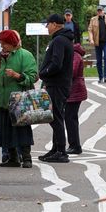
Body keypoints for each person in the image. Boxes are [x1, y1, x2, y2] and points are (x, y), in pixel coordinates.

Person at [0, 29, 38, 168]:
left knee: (22, 130)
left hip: (19, 101)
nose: (2, 46)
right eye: (1, 44)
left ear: (12, 43)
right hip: (3, 100)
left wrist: (17, 76)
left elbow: (33, 76)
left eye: (4, 44)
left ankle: (27, 158)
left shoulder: (25, 55)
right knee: (5, 130)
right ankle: (12, 158)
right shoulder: (0, 57)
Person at [38, 14, 74, 163]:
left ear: (54, 24)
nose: (47, 27)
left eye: (48, 24)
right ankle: (55, 149)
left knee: (56, 117)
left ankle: (61, 151)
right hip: (59, 83)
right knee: (55, 117)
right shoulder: (62, 39)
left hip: (57, 84)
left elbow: (56, 63)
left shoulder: (59, 40)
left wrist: (43, 73)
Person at [65, 43, 86, 155]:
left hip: (74, 91)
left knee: (70, 118)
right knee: (70, 118)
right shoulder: (73, 53)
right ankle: (74, 144)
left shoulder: (74, 55)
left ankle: (75, 145)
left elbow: (71, 72)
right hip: (74, 90)